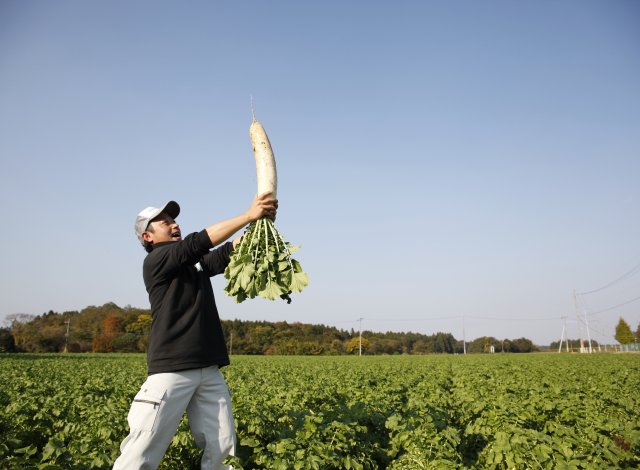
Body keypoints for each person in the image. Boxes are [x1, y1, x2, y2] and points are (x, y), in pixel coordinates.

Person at [113, 192, 277, 470]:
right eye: (164, 222)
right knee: (142, 448)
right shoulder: (157, 261)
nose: (174, 224)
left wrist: (260, 226)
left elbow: (223, 253)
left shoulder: (191, 264)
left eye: (174, 220)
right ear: (148, 237)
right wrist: (249, 214)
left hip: (209, 369)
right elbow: (198, 243)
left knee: (223, 448)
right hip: (172, 370)